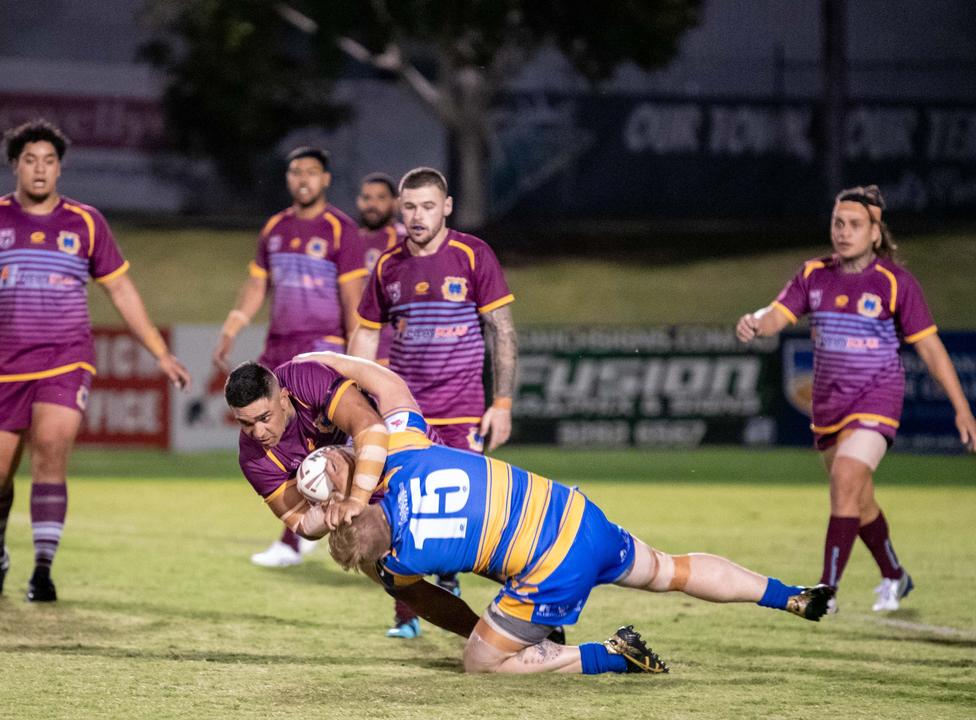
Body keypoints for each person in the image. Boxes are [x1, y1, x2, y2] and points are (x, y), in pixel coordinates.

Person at [306, 352, 833, 676]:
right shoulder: (402, 450)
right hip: (575, 512)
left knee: (481, 663)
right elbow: (391, 387)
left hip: (552, 568)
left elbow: (441, 608)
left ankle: (612, 655)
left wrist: (484, 635)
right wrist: (327, 361)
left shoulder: (399, 562)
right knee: (672, 570)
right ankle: (789, 595)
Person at [0, 120, 190, 602]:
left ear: (59, 168)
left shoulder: (86, 222)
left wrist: (160, 353)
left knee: (51, 453)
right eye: (30, 160)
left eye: (49, 161)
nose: (39, 169)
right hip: (0, 364)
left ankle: (42, 569)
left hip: (64, 358)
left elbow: (119, 288)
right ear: (15, 165)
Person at [736, 185, 976, 613]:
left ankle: (826, 591)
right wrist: (755, 321)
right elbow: (776, 314)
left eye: (855, 225)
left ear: (876, 232)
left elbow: (931, 349)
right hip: (828, 407)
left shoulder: (895, 283)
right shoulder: (814, 274)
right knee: (858, 501)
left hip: (877, 398)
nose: (844, 232)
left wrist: (961, 407)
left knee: (846, 482)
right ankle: (895, 575)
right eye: (838, 223)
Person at [347, 167, 519, 637]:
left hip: (463, 405)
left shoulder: (472, 254)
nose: (417, 216)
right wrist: (357, 398)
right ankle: (408, 614)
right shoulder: (387, 265)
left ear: (446, 207)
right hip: (406, 413)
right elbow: (365, 333)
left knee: (469, 514)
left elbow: (501, 329)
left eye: (427, 206)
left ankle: (505, 603)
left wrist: (501, 403)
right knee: (397, 508)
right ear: (398, 210)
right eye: (409, 207)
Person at [224, 359, 477, 634]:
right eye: (246, 423)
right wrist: (337, 499)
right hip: (354, 491)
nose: (258, 433)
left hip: (394, 451)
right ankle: (481, 636)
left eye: (264, 418)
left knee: (472, 530)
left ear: (283, 399)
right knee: (396, 581)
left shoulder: (303, 379)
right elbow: (302, 525)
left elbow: (371, 428)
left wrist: (355, 498)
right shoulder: (254, 460)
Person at [213, 146, 367, 568]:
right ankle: (297, 533)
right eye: (295, 172)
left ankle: (299, 537)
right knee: (273, 439)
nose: (302, 179)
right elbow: (256, 285)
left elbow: (354, 300)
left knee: (324, 441)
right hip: (279, 347)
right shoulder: (275, 229)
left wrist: (359, 358)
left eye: (311, 172)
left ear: (326, 179)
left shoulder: (340, 230)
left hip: (322, 346)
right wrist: (233, 324)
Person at [354, 172, 406, 366]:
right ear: (359, 202)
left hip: (390, 347)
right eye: (367, 198)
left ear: (396, 203)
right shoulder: (351, 240)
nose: (372, 204)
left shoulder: (405, 240)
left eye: (380, 198)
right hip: (354, 342)